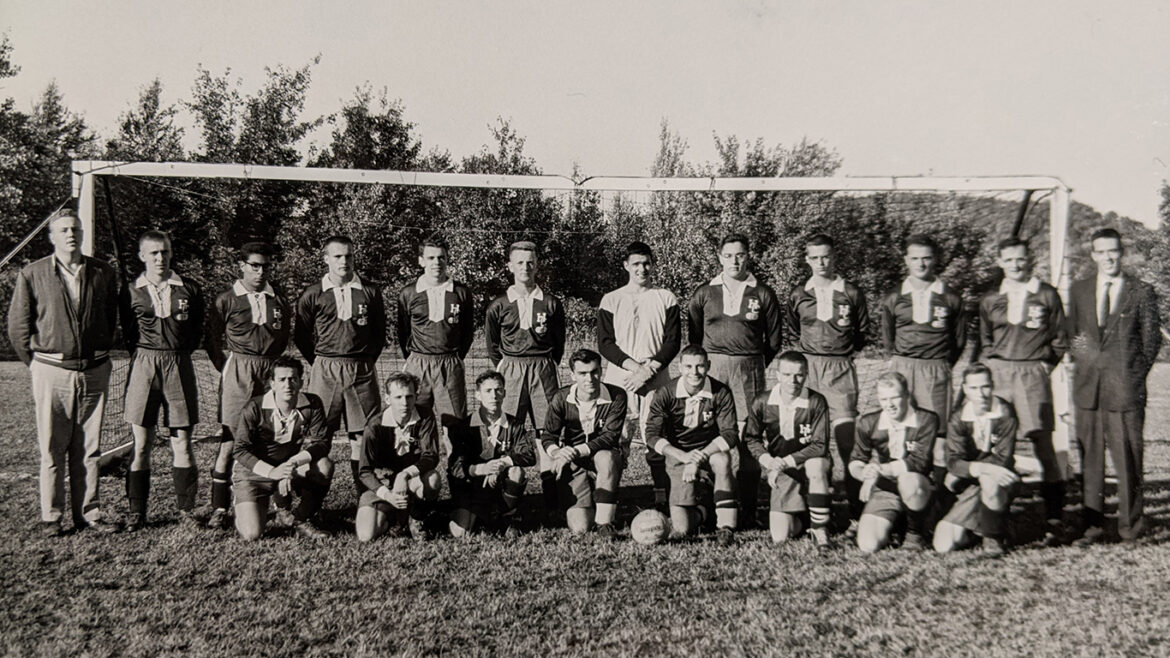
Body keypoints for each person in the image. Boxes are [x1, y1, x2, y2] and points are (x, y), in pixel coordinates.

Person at [7, 209, 121, 535]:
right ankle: (52, 516)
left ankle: (90, 514)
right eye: (64, 230)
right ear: (52, 237)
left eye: (75, 229)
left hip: (94, 370)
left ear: (82, 233)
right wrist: (39, 364)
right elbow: (18, 327)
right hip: (50, 370)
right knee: (53, 447)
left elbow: (109, 317)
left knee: (89, 448)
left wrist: (97, 349)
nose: (70, 234)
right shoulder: (33, 273)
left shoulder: (102, 272)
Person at [1065, 228, 1162, 545]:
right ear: (1092, 255)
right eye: (1101, 252)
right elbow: (1075, 335)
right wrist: (1093, 361)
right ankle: (1091, 526)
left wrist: (1131, 374)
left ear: (1122, 253)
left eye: (1114, 251)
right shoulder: (1079, 289)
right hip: (1088, 389)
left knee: (1128, 460)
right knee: (1089, 459)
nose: (1108, 257)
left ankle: (1131, 527)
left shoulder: (1141, 291)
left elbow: (1151, 341)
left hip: (1125, 390)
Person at [975, 237, 1067, 543]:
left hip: (1032, 373)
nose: (1016, 265)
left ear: (1031, 260)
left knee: (1042, 443)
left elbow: (1061, 338)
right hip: (999, 373)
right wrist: (991, 365)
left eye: (1021, 259)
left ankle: (1055, 518)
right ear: (1000, 262)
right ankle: (999, 516)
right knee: (997, 442)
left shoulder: (1046, 294)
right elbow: (985, 339)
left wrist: (1045, 366)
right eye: (1010, 260)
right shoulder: (990, 298)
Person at [687, 234, 783, 529]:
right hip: (713, 368)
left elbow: (775, 339)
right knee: (709, 432)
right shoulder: (705, 292)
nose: (734, 261)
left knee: (747, 437)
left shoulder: (763, 292)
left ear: (748, 256)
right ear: (719, 258)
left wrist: (751, 363)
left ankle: (749, 508)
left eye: (740, 255)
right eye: (728, 256)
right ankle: (710, 504)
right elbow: (694, 335)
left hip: (750, 367)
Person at [120, 230, 206, 531]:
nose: (160, 258)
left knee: (182, 441)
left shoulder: (190, 289)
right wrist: (148, 353)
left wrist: (174, 353)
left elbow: (195, 332)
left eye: (165, 252)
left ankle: (186, 510)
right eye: (154, 253)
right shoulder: (130, 290)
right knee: (141, 443)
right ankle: (137, 511)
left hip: (178, 363)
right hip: (144, 363)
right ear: (142, 256)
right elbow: (127, 331)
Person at [785, 233, 870, 536]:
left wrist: (841, 356)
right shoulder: (799, 293)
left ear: (835, 257)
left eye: (826, 256)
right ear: (806, 259)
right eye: (815, 257)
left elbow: (861, 333)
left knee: (847, 441)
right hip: (809, 369)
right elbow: (794, 330)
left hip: (840, 369)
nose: (821, 263)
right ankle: (814, 511)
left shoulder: (851, 292)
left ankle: (858, 514)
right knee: (809, 441)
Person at [204, 241, 291, 530]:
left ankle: (281, 504)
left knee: (274, 435)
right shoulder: (227, 299)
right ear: (241, 266)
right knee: (231, 439)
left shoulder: (278, 300)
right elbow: (211, 340)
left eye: (266, 265)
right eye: (255, 265)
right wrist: (229, 369)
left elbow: (283, 336)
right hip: (239, 369)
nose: (261, 271)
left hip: (270, 370)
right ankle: (219, 507)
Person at [294, 235, 386, 499]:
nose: (344, 261)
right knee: (320, 438)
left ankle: (365, 499)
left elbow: (379, 334)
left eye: (348, 256)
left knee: (362, 437)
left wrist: (364, 360)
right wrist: (321, 362)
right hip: (325, 369)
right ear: (326, 259)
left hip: (361, 369)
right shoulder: (313, 293)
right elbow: (302, 336)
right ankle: (311, 505)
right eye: (337, 256)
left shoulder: (370, 291)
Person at [878, 234, 965, 506]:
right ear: (906, 260)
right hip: (903, 366)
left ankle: (939, 506)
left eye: (926, 257)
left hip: (936, 369)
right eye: (915, 258)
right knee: (901, 432)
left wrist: (938, 364)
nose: (921, 263)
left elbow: (958, 341)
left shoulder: (950, 297)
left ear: (935, 259)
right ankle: (902, 500)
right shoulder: (894, 296)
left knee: (937, 438)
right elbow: (888, 337)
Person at [597, 241, 681, 511]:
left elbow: (673, 341)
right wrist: (635, 368)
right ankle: (612, 498)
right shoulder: (611, 299)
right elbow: (605, 343)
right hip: (621, 379)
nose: (642, 269)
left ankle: (661, 499)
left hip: (656, 377)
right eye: (636, 264)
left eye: (646, 263)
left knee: (656, 437)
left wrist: (649, 369)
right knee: (616, 439)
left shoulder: (665, 297)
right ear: (626, 266)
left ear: (652, 264)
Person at [484, 240, 566, 518]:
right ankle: (503, 499)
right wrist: (508, 368)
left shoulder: (551, 303)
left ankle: (552, 500)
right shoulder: (499, 304)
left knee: (547, 433)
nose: (525, 267)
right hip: (511, 370)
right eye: (519, 262)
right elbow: (492, 344)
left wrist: (543, 364)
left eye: (530, 261)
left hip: (542, 367)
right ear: (510, 266)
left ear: (537, 264)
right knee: (505, 432)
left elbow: (559, 343)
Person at [645, 345, 739, 545]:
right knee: (682, 528)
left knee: (723, 459)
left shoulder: (720, 392)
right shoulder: (665, 393)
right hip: (679, 454)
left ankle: (725, 528)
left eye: (700, 366)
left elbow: (730, 435)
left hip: (709, 451)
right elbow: (651, 436)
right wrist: (683, 457)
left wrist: (697, 459)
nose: (694, 372)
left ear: (708, 366)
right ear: (679, 367)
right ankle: (706, 511)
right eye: (688, 366)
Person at [232, 356, 332, 540]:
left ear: (301, 382)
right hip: (254, 473)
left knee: (324, 466)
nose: (288, 385)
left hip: (288, 468)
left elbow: (322, 443)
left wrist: (292, 464)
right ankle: (258, 503)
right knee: (251, 533)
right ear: (272, 383)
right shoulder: (254, 407)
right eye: (282, 380)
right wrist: (273, 472)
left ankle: (300, 518)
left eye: (293, 379)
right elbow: (240, 450)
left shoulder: (312, 403)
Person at [743, 351, 833, 548]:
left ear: (806, 374)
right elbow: (750, 438)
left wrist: (782, 464)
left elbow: (820, 446)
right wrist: (768, 462)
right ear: (777, 375)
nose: (793, 380)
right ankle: (806, 519)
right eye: (787, 375)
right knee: (780, 536)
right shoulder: (762, 401)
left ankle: (820, 530)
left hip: (806, 463)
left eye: (799, 375)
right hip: (781, 468)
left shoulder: (816, 401)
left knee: (817, 466)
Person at [934, 363, 1019, 556]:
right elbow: (954, 462)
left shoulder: (1005, 413)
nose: (980, 394)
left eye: (985, 386)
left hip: (1000, 478)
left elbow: (1003, 458)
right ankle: (989, 525)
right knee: (943, 545)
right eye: (973, 388)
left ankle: (993, 538)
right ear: (964, 389)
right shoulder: (958, 418)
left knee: (990, 480)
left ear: (992, 386)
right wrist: (973, 470)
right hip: (971, 483)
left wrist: (973, 470)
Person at [541, 349, 628, 538]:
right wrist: (558, 453)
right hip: (574, 462)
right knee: (580, 527)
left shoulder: (617, 395)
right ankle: (592, 497)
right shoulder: (561, 398)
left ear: (601, 371)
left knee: (607, 457)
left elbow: (609, 437)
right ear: (573, 375)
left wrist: (573, 451)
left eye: (594, 372)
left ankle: (605, 523)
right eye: (582, 373)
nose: (590, 378)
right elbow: (549, 435)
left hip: (601, 454)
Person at [849, 372, 938, 552]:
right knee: (868, 545)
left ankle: (915, 535)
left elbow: (918, 462)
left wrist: (879, 469)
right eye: (883, 399)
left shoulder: (926, 419)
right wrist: (863, 472)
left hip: (918, 485)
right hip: (886, 489)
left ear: (907, 395)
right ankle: (898, 525)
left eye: (895, 398)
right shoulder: (868, 422)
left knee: (908, 480)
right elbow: (856, 460)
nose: (889, 405)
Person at [395, 238, 475, 431]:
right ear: (421, 261)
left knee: (455, 426)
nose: (436, 263)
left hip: (449, 364)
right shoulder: (409, 293)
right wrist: (414, 358)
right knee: (413, 423)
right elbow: (403, 331)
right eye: (431, 258)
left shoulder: (461, 292)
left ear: (447, 260)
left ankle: (456, 462)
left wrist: (453, 357)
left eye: (441, 258)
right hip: (418, 364)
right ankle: (414, 461)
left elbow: (467, 332)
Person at [355, 372, 441, 542]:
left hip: (411, 480)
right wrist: (387, 495)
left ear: (416, 397)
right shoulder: (375, 426)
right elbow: (364, 471)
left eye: (409, 396)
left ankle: (416, 518)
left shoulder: (425, 416)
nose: (404, 403)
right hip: (384, 484)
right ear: (387, 399)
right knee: (366, 535)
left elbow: (431, 455)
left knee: (433, 479)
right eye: (398, 397)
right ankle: (395, 517)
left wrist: (405, 474)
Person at [448, 371, 535, 537]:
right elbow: (456, 467)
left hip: (499, 484)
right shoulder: (464, 427)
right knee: (460, 533)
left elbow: (529, 454)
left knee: (516, 471)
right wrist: (482, 469)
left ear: (504, 393)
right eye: (488, 391)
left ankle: (509, 515)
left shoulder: (514, 424)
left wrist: (500, 465)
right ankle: (477, 513)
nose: (494, 395)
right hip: (472, 486)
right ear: (478, 395)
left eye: (498, 390)